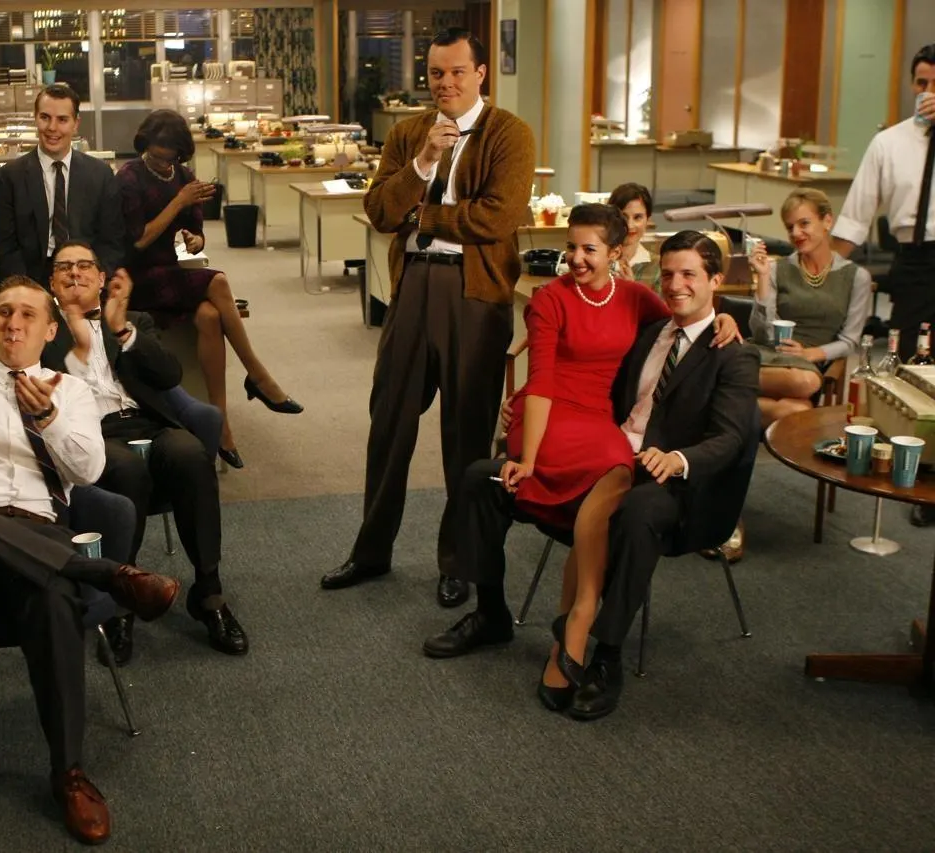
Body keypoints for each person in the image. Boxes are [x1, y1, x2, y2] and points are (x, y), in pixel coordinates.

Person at [0, 277, 181, 847]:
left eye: (27, 314)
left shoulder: (71, 391)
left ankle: (69, 774)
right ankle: (105, 574)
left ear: (50, 331)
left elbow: (90, 472)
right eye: (4, 311)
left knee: (51, 592)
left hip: (37, 538)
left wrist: (48, 418)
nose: (13, 322)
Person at [431, 231, 759, 721]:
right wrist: (521, 405)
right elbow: (582, 375)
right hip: (602, 455)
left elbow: (731, 438)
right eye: (668, 274)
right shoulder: (649, 331)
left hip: (671, 481)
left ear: (715, 280)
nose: (675, 285)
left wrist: (678, 459)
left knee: (637, 511)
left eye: (689, 274)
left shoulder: (733, 352)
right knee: (482, 479)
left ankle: (605, 654)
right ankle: (492, 613)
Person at [320, 28, 535, 608]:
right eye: (437, 73)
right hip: (414, 283)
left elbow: (498, 217)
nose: (446, 83)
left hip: (476, 294)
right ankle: (371, 551)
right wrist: (423, 163)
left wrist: (426, 217)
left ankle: (459, 562)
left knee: (466, 432)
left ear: (481, 73)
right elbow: (379, 211)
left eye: (458, 72)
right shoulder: (409, 134)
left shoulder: (510, 133)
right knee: (389, 419)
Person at [42, 240, 248, 659]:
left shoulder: (135, 320)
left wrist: (122, 331)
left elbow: (170, 375)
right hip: (91, 433)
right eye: (64, 267)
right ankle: (122, 599)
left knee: (191, 453)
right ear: (52, 283)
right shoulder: (44, 331)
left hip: (147, 422)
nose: (75, 273)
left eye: (84, 265)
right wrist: (75, 341)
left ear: (102, 278)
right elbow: (41, 389)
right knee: (128, 470)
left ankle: (208, 592)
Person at [115, 109, 301, 469]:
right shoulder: (129, 178)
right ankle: (258, 375)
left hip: (172, 272)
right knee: (218, 281)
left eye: (169, 156)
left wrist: (194, 239)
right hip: (139, 278)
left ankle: (223, 428)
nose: (162, 161)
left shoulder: (183, 176)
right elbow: (138, 241)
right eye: (156, 154)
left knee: (211, 316)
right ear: (145, 145)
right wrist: (178, 202)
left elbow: (197, 235)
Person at [831, 44, 935, 526]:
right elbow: (856, 215)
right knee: (912, 362)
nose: (928, 92)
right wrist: (822, 274)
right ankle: (920, 472)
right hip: (914, 260)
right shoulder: (889, 143)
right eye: (921, 82)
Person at [750, 189, 872, 425]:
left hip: (809, 366)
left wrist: (811, 354)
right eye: (790, 227)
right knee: (803, 389)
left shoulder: (857, 277)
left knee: (799, 401)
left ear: (827, 221)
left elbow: (850, 341)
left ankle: (724, 391)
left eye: (804, 223)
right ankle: (729, 381)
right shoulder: (775, 269)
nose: (796, 233)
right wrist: (762, 278)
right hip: (769, 357)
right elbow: (761, 334)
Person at [0, 83, 126, 288]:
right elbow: (5, 249)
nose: (52, 128)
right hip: (31, 278)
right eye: (45, 117)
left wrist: (94, 283)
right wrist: (27, 291)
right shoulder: (9, 177)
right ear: (35, 118)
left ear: (76, 123)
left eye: (62, 119)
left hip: (85, 276)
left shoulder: (100, 175)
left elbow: (112, 243)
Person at [609, 182, 659, 289]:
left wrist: (632, 289)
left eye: (637, 217)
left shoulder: (658, 267)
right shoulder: (598, 261)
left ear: (648, 220)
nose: (629, 225)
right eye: (624, 217)